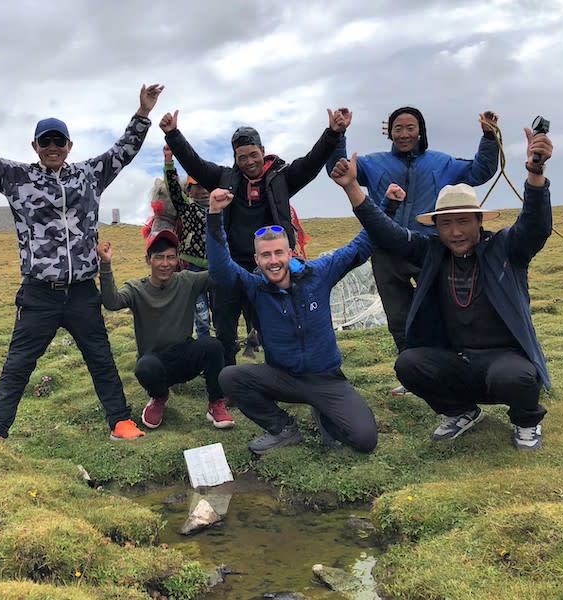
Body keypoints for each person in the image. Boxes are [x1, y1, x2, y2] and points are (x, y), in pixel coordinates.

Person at [0, 72, 163, 441]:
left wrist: (143, 112)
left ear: (69, 145)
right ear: (35, 146)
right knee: (19, 363)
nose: (53, 147)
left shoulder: (89, 176)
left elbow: (123, 151)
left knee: (100, 358)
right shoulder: (16, 177)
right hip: (39, 292)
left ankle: (120, 421)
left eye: (59, 141)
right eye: (45, 142)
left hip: (83, 291)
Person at [339, 125, 553, 451]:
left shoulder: (506, 248)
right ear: (436, 228)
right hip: (459, 361)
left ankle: (526, 422)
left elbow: (535, 225)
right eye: (446, 223)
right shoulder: (431, 252)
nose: (455, 232)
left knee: (516, 377)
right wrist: (354, 188)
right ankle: (462, 412)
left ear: (479, 222)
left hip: (505, 360)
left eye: (464, 221)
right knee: (409, 364)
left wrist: (535, 173)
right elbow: (388, 234)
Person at [160, 107, 352, 366]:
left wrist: (333, 133)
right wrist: (173, 135)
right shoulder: (224, 178)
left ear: (262, 150)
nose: (249, 161)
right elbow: (194, 162)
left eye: (253, 154)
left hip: (269, 268)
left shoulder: (282, 178)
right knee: (224, 328)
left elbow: (312, 162)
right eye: (242, 157)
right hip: (230, 268)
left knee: (269, 325)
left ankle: (278, 374)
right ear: (235, 158)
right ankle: (225, 381)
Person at [206, 175, 380, 455]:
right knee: (230, 377)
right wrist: (214, 215)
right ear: (257, 259)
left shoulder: (319, 273)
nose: (273, 261)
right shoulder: (255, 287)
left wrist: (388, 206)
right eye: (265, 256)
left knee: (364, 440)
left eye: (278, 253)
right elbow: (220, 269)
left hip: (327, 378)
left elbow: (361, 246)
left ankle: (324, 412)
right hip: (282, 377)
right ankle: (283, 429)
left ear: (290, 253)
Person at [326, 107, 500, 364]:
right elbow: (338, 168)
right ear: (389, 132)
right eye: (398, 128)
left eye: (410, 128)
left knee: (440, 307)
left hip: (429, 246)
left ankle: (450, 363)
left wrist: (488, 137)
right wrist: (338, 135)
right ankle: (412, 369)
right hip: (386, 248)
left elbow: (480, 172)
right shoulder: (373, 164)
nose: (404, 134)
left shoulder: (442, 163)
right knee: (397, 314)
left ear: (421, 131)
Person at [97, 232, 234, 430]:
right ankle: (159, 397)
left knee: (213, 346)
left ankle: (215, 403)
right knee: (144, 367)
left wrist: (222, 240)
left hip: (185, 356)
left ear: (177, 260)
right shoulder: (136, 289)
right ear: (148, 259)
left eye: (170, 257)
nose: (165, 263)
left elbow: (221, 276)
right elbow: (112, 302)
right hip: (155, 363)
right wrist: (106, 265)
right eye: (159, 257)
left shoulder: (187, 280)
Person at [162, 145, 213, 338]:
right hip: (192, 268)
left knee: (221, 314)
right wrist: (169, 161)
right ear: (189, 190)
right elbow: (173, 188)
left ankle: (224, 357)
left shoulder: (224, 208)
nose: (202, 190)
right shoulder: (186, 207)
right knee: (201, 316)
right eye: (197, 186)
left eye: (205, 185)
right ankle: (205, 351)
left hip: (219, 269)